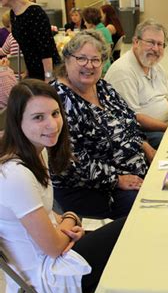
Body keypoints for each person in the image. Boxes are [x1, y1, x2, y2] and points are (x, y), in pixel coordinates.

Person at [0, 79, 126, 293]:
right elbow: (53, 247)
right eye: (38, 117)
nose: (52, 125)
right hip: (49, 273)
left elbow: (47, 213)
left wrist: (65, 223)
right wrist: (71, 219)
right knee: (131, 228)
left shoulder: (39, 151)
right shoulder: (15, 175)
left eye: (55, 113)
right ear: (17, 122)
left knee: (129, 233)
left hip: (54, 251)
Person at [50, 30, 155, 219]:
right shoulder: (57, 99)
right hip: (93, 187)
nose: (89, 65)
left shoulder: (102, 86)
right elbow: (69, 160)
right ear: (66, 60)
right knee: (149, 209)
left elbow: (129, 119)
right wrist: (116, 179)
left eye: (96, 60)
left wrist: (146, 147)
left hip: (133, 171)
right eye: (81, 58)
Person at [105, 19, 168, 149]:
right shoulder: (123, 72)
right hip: (142, 134)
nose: (156, 49)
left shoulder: (155, 66)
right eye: (150, 42)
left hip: (166, 126)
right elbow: (133, 118)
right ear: (136, 42)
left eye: (160, 44)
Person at [0, 0, 60, 81]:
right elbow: (26, 47)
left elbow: (46, 51)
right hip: (33, 71)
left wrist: (49, 78)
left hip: (48, 71)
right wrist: (27, 72)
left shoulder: (35, 12)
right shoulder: (13, 14)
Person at [82, 7, 113, 73]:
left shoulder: (94, 34)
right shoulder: (106, 30)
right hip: (107, 64)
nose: (84, 23)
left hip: (100, 67)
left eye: (85, 21)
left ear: (90, 21)